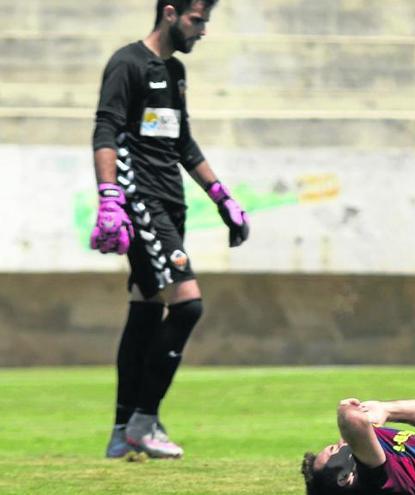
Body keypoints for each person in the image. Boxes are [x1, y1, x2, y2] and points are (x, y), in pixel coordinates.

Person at [90, 0, 249, 459]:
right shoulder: (126, 64)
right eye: (197, 20)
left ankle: (121, 433)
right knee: (187, 305)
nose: (202, 30)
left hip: (171, 202)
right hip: (141, 201)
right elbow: (106, 129)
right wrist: (109, 198)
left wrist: (222, 197)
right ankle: (144, 420)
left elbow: (182, 142)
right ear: (171, 12)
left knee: (144, 309)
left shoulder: (175, 73)